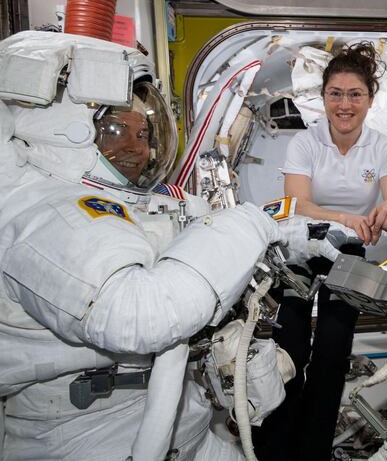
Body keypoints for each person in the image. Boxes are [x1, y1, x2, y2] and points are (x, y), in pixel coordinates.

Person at [0, 31, 343, 461]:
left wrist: (291, 237)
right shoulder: (38, 214)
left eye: (144, 133)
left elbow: (206, 237)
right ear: (60, 130)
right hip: (87, 436)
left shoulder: (143, 205)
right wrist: (253, 224)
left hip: (182, 421)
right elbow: (140, 315)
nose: (135, 148)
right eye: (114, 129)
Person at [255, 42, 387, 461]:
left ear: (369, 100)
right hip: (302, 245)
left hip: (349, 250)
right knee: (291, 348)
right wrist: (344, 215)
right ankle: (276, 446)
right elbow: (297, 204)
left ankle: (314, 450)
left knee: (333, 351)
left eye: (354, 94)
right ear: (323, 98)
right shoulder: (304, 143)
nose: (344, 104)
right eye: (335, 93)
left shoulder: (383, 147)